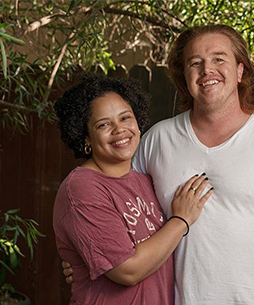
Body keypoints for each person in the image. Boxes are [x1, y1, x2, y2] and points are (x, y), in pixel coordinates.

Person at [64, 25, 254, 305]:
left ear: (240, 70)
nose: (207, 70)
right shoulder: (156, 140)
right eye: (195, 63)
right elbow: (118, 210)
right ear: (184, 76)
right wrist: (84, 259)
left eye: (218, 59)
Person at [53, 75, 213, 305]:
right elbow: (127, 271)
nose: (120, 130)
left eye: (125, 118)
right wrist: (181, 219)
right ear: (85, 137)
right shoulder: (81, 188)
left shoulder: (144, 179)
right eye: (103, 124)